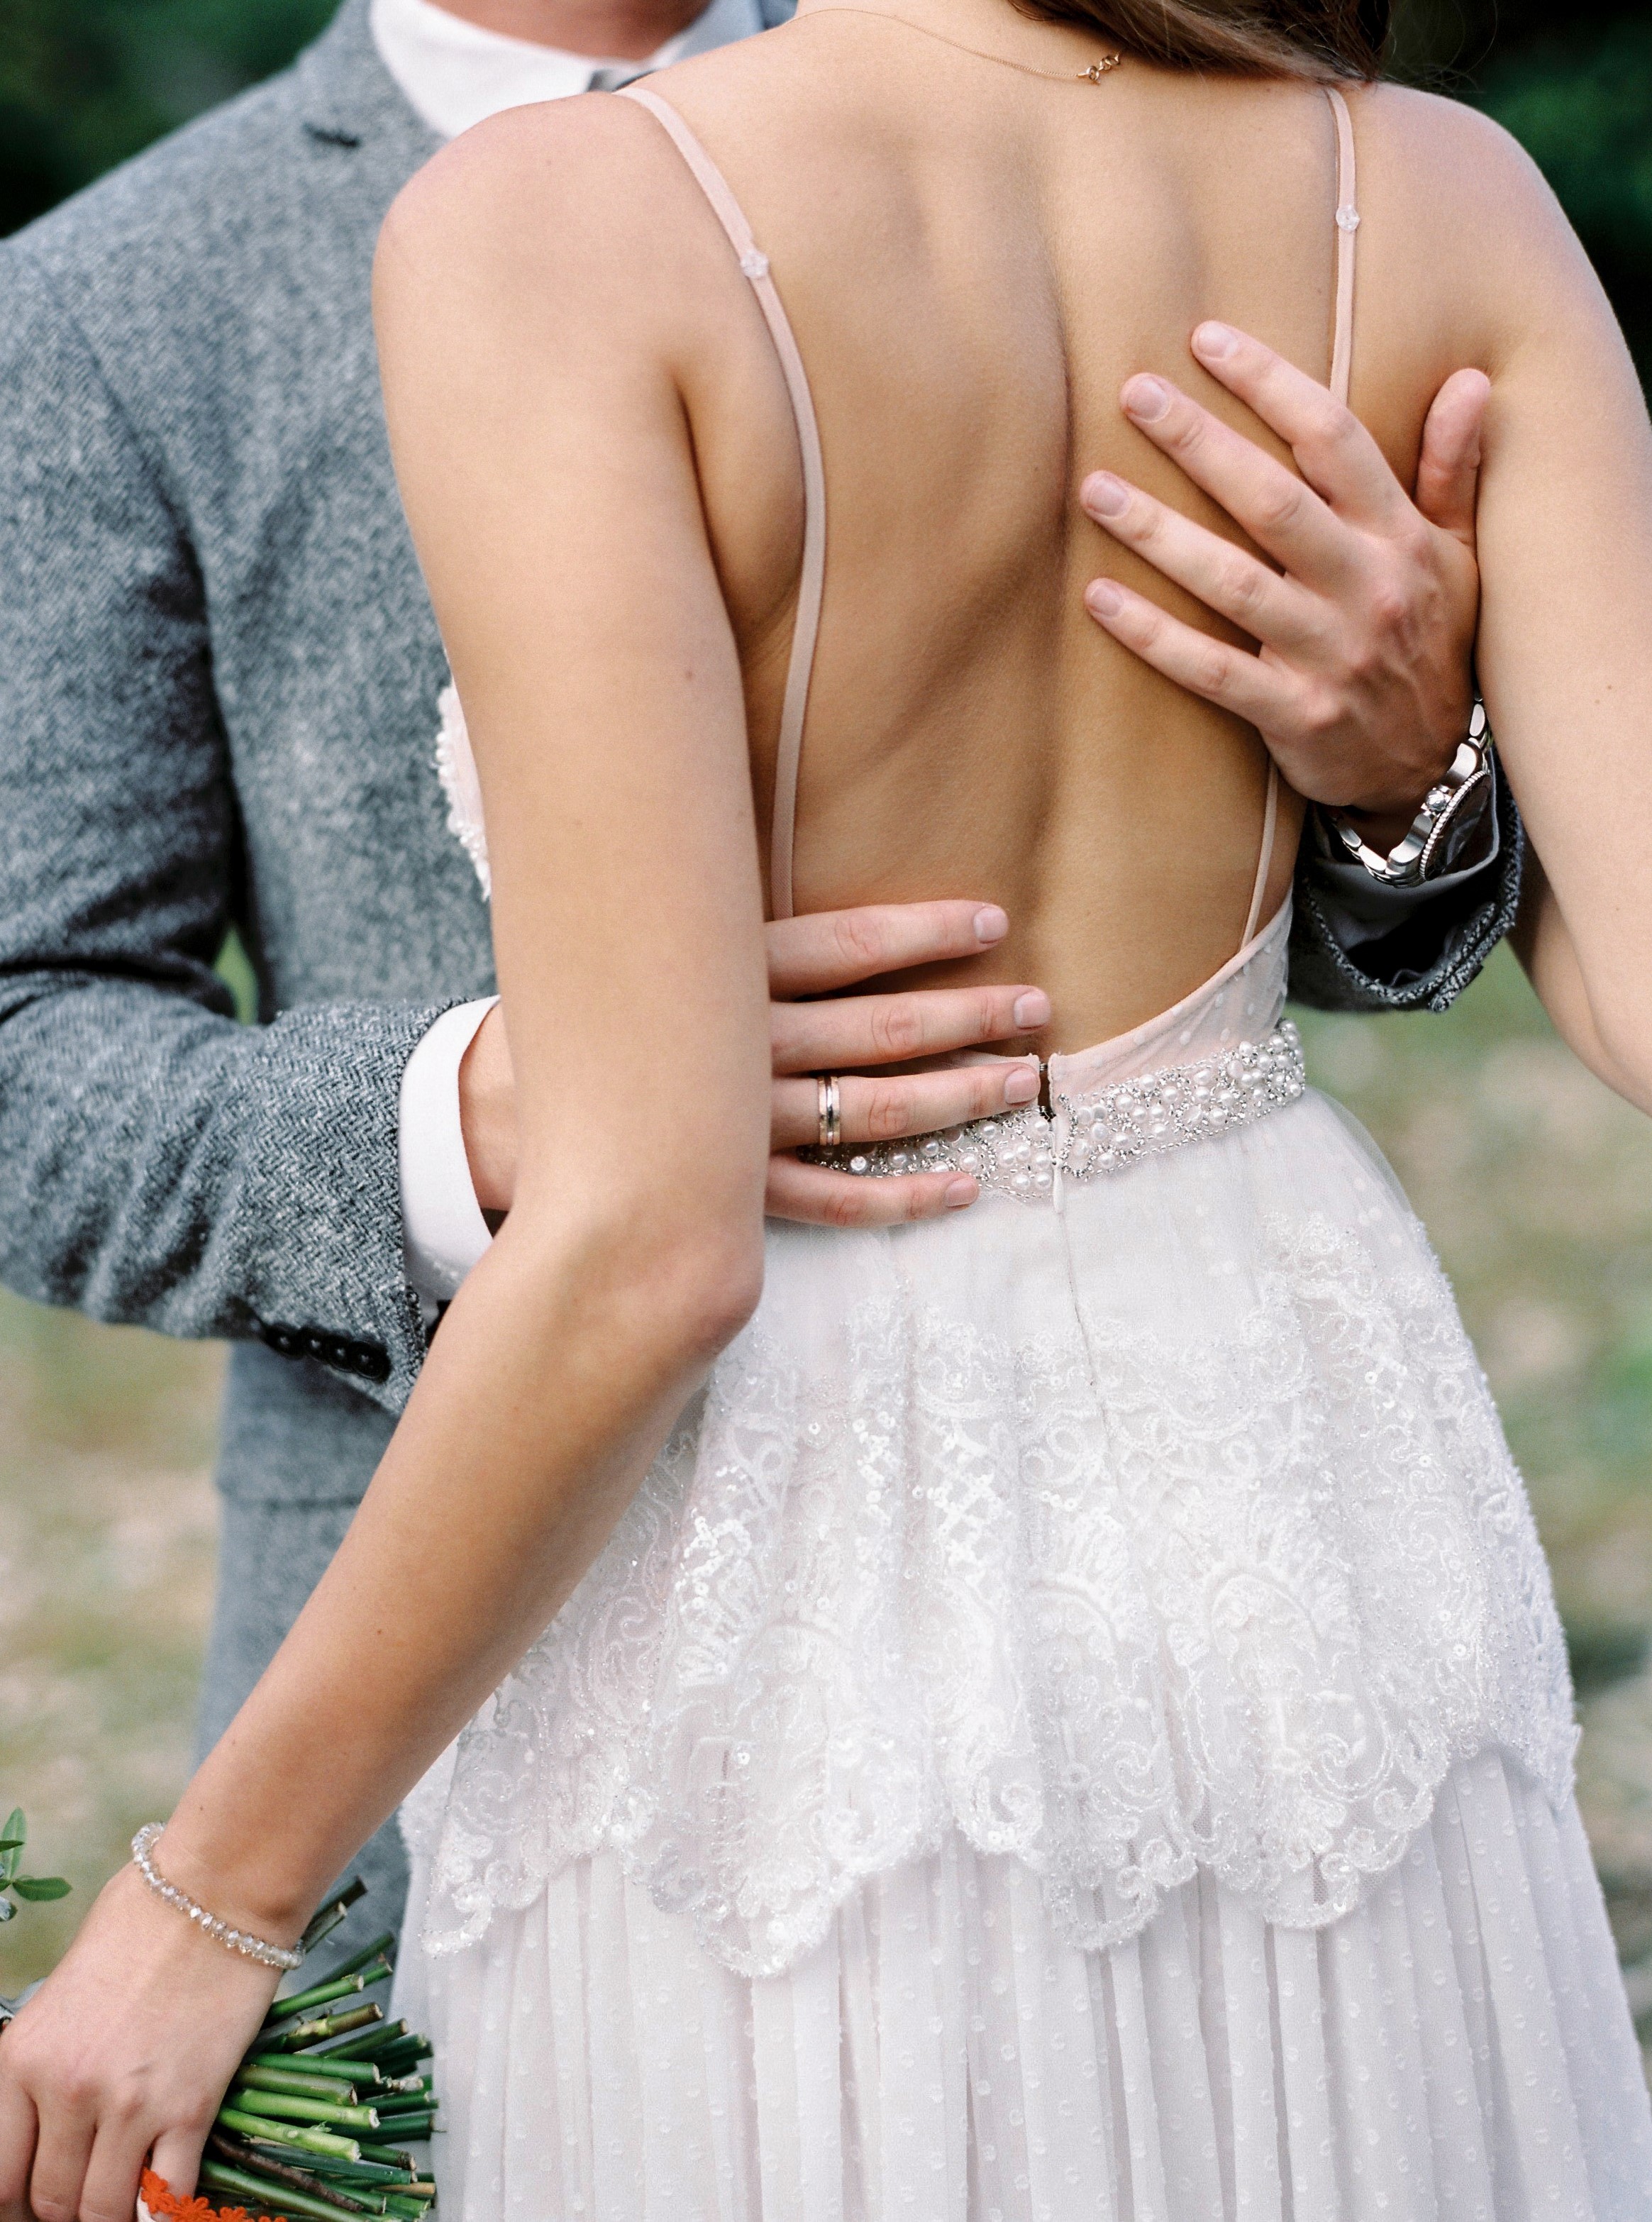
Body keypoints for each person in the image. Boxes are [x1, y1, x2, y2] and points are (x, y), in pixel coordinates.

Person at [6, 4, 1615, 2222]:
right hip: (1259, 1484)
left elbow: (651, 1239)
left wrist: (1423, 756)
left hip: (845, 1544)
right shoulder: (1428, 184)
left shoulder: (562, 230)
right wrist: (467, 1105)